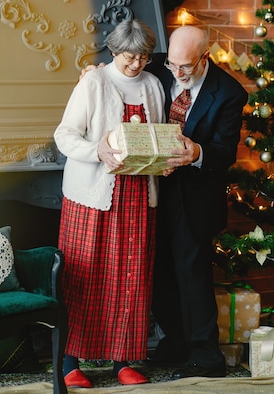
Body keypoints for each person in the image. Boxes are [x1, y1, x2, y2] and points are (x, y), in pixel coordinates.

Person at [54, 19, 166, 388]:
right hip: (92, 198)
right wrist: (97, 150)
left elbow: (157, 135)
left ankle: (122, 361)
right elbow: (64, 136)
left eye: (144, 58)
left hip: (138, 199)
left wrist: (165, 160)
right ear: (114, 51)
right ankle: (70, 362)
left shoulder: (152, 85)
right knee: (81, 279)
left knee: (130, 280)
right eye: (130, 57)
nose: (136, 65)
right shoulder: (94, 81)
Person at [149, 25, 248, 379]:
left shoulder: (229, 93)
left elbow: (225, 153)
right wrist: (95, 71)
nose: (176, 73)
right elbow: (118, 69)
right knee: (157, 273)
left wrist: (197, 152)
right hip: (152, 189)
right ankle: (175, 343)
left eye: (185, 67)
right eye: (172, 65)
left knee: (192, 277)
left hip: (193, 195)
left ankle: (207, 357)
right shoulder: (157, 65)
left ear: (204, 58)